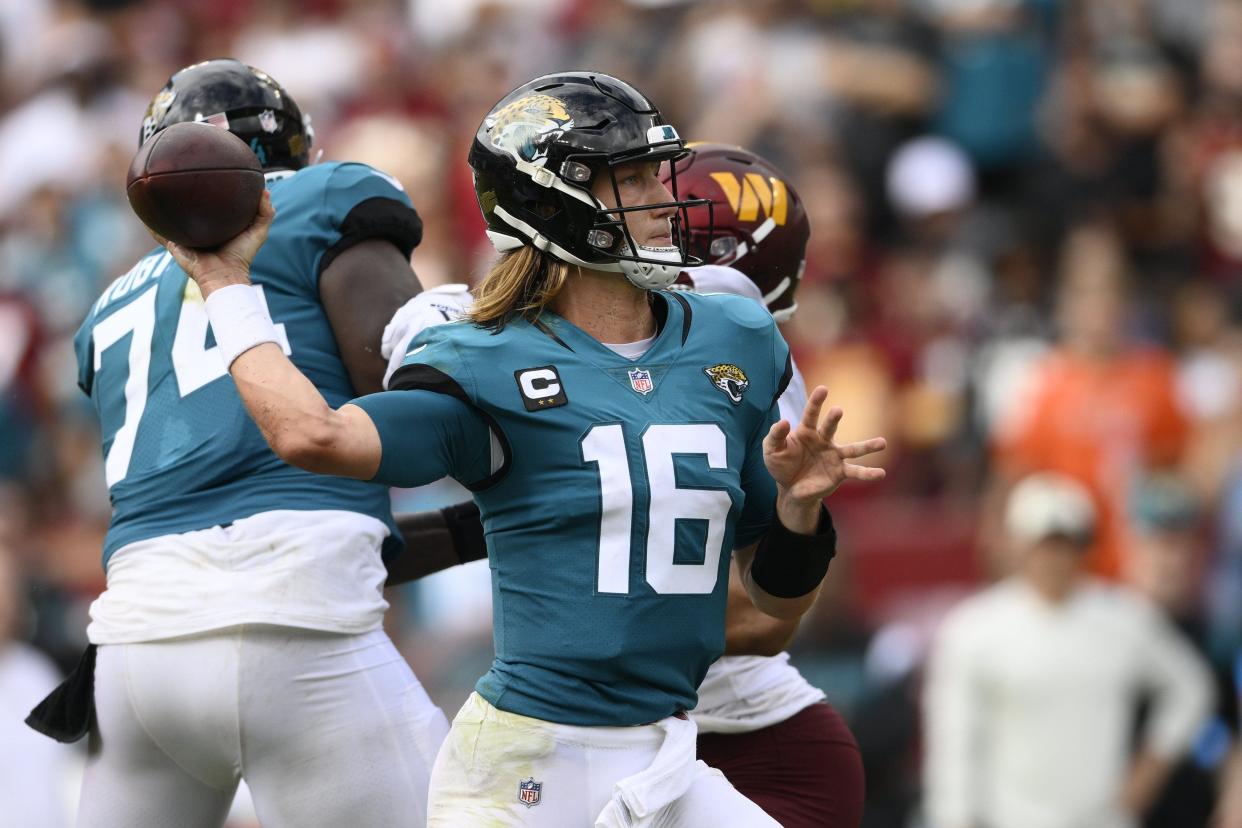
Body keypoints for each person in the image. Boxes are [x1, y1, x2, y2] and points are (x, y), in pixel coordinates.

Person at [163, 71, 887, 827]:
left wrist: (801, 513)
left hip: (667, 752)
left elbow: (773, 612)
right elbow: (312, 434)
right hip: (526, 760)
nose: (662, 194)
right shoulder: (483, 358)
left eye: (652, 171)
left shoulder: (731, 335)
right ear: (553, 202)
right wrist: (225, 283)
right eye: (631, 178)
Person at [32, 59, 451, 828]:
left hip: (134, 656)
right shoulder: (323, 199)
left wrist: (462, 535)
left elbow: (214, 512)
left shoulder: (111, 304)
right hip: (300, 632)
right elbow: (416, 407)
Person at [670, 143, 866, 828]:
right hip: (640, 731)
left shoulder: (735, 353)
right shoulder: (592, 346)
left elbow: (767, 610)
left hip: (745, 735)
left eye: (649, 205)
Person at [923, 472, 1214, 828]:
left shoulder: (1123, 618)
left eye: (1065, 543)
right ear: (1019, 545)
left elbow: (1191, 687)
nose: (1054, 557)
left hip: (1105, 819)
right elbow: (954, 746)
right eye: (1045, 543)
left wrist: (1149, 769)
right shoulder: (974, 629)